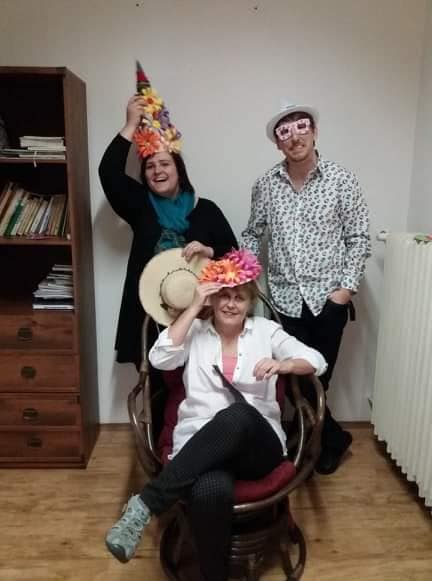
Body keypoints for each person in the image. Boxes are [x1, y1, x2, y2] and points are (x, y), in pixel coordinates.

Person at [105, 248, 327, 581]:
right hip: (200, 447)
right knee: (210, 490)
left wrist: (284, 364)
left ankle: (146, 504)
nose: (231, 304)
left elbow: (317, 360)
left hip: (258, 448)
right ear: (212, 298)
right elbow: (160, 358)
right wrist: (195, 306)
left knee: (238, 415)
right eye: (224, 295)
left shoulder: (265, 331)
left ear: (249, 302)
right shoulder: (194, 331)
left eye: (239, 297)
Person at [241, 101, 371, 475]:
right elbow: (252, 233)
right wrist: (246, 273)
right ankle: (329, 438)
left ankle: (315, 440)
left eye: (301, 128)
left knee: (318, 377)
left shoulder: (342, 180)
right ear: (277, 143)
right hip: (283, 301)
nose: (294, 137)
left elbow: (359, 237)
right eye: (285, 132)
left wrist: (344, 292)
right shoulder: (265, 185)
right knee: (293, 379)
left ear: (314, 132)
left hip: (328, 301)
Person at [98, 62, 237, 368]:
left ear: (178, 170)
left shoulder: (206, 209)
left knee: (202, 381)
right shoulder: (140, 205)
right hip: (150, 317)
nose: (157, 171)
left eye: (164, 164)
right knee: (158, 384)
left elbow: (236, 258)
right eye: (150, 166)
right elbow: (108, 172)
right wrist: (130, 125)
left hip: (203, 319)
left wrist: (209, 250)